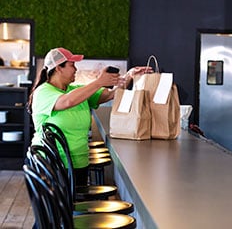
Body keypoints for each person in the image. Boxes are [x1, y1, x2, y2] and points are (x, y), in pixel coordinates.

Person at [27, 47, 152, 186]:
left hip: (78, 162)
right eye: (72, 65)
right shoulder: (43, 92)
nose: (76, 69)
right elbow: (67, 101)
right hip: (53, 163)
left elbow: (110, 95)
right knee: (67, 207)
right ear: (58, 68)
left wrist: (130, 75)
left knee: (76, 206)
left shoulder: (75, 90)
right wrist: (99, 82)